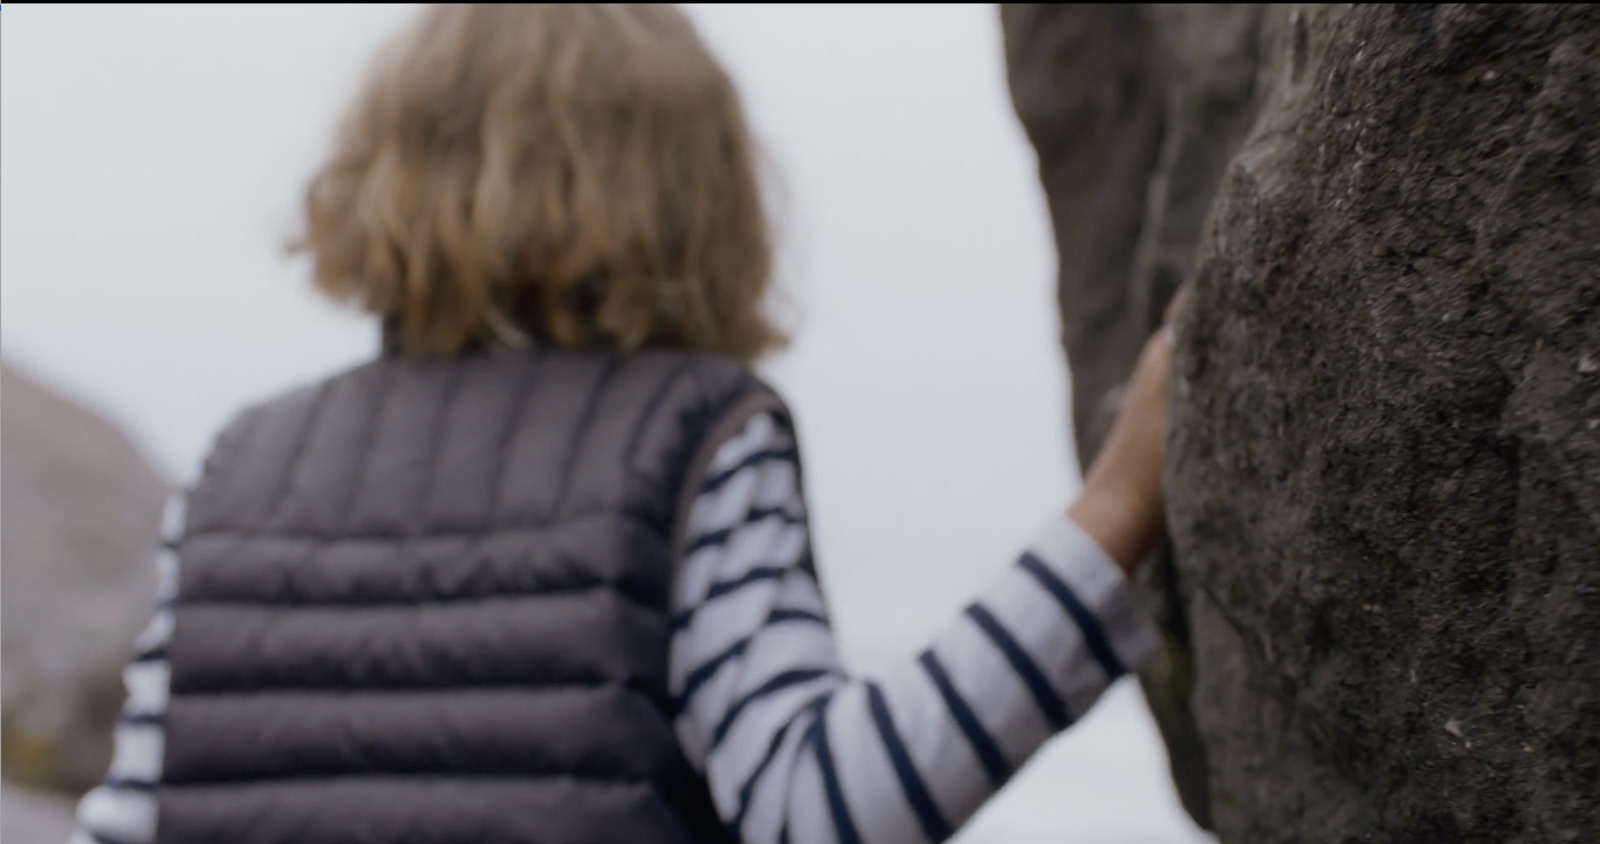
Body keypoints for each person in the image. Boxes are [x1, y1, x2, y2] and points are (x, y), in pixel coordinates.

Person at [70, 5, 1186, 844]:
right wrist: (1115, 508)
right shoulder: (694, 437)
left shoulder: (237, 466)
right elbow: (825, 806)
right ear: (693, 199)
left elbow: (128, 821)